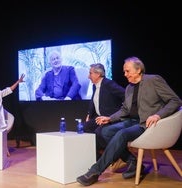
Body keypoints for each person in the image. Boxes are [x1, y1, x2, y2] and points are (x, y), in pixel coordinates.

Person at [76, 56, 182, 186]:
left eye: (127, 71)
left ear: (138, 70)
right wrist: (109, 118)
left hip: (147, 124)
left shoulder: (153, 80)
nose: (125, 74)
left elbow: (175, 100)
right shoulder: (129, 88)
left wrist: (158, 115)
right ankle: (134, 161)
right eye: (124, 71)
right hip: (132, 121)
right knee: (104, 131)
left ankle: (95, 171)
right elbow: (125, 110)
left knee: (122, 134)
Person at [83, 63, 125, 160]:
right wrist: (89, 114)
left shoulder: (108, 84)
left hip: (110, 118)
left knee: (99, 132)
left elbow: (125, 95)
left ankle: (119, 156)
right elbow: (93, 101)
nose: (88, 76)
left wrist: (121, 112)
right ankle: (98, 157)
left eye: (90, 73)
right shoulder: (95, 86)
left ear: (98, 74)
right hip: (99, 118)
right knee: (85, 127)